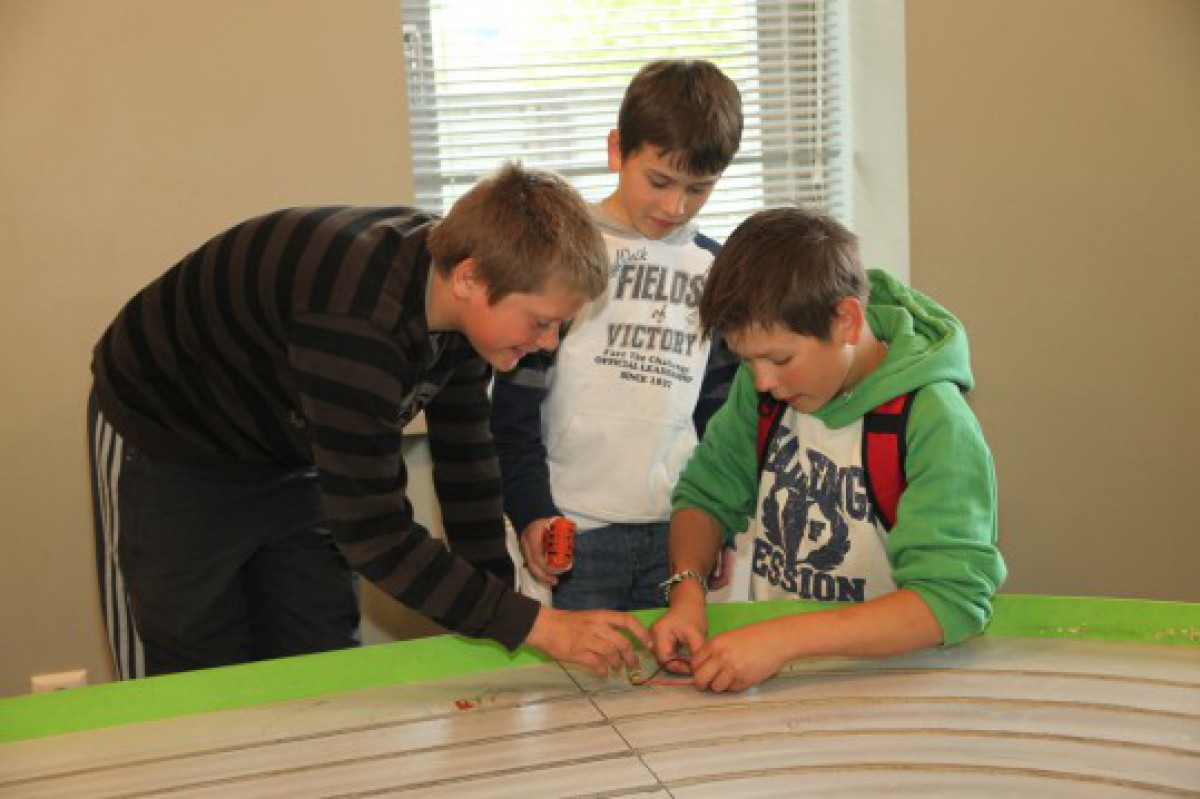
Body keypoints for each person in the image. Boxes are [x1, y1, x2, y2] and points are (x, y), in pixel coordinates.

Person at [87, 162, 650, 680]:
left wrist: (503, 612)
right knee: (195, 664)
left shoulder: (462, 312)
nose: (547, 344)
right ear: (469, 279)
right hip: (171, 441)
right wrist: (537, 626)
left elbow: (468, 467)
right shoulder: (355, 318)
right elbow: (375, 535)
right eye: (541, 322)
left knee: (319, 652)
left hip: (289, 446)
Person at [650, 207, 1007, 692]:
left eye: (779, 359)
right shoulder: (763, 388)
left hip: (891, 689)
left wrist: (783, 638)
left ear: (846, 320)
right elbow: (705, 496)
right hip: (783, 680)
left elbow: (951, 600)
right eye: (747, 361)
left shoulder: (933, 421)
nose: (763, 381)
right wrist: (687, 592)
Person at [490, 59, 744, 611]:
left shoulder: (716, 270)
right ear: (616, 150)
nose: (675, 206)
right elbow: (513, 409)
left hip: (678, 530)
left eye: (699, 189)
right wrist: (531, 511)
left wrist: (718, 523)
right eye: (659, 181)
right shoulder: (563, 256)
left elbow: (721, 416)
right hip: (574, 530)